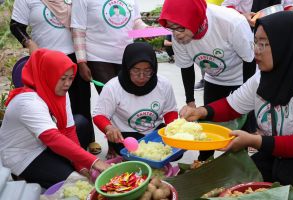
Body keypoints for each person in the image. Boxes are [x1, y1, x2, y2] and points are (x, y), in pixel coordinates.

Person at [179, 12, 293, 200]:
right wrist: (200, 111)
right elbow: (232, 106)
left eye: (264, 44)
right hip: (272, 154)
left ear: (286, 45)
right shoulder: (263, 76)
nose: (256, 50)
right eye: (255, 42)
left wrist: (253, 141)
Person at [159, 0, 255, 161]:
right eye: (171, 28)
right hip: (214, 78)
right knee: (207, 126)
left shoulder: (231, 22)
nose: (176, 34)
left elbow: (250, 60)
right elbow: (186, 67)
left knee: (240, 131)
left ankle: (240, 163)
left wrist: (247, 96)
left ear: (195, 19)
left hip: (241, 77)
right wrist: (190, 101)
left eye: (180, 28)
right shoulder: (179, 31)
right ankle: (204, 161)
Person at [0, 49, 110, 188]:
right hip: (22, 156)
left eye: (71, 78)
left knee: (80, 124)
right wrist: (94, 162)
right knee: (77, 183)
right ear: (48, 74)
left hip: (43, 146)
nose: (67, 83)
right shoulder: (28, 101)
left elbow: (69, 131)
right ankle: (24, 176)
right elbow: (52, 138)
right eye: (63, 78)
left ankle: (58, 170)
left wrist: (81, 165)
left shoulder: (59, 92)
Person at [9, 0, 99, 154]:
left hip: (76, 55)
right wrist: (29, 43)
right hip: (47, 60)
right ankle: (57, 144)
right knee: (51, 104)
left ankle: (88, 138)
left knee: (82, 99)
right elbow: (16, 25)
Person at [92, 42, 178, 155]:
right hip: (126, 135)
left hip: (155, 132)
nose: (141, 76)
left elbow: (170, 111)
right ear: (127, 67)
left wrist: (173, 132)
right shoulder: (112, 87)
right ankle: (114, 149)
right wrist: (108, 128)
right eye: (136, 70)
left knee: (175, 152)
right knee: (130, 153)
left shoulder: (164, 85)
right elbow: (99, 115)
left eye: (147, 71)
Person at [71, 0, 148, 94]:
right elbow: (78, 29)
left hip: (126, 58)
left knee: (128, 97)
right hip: (98, 58)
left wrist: (146, 30)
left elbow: (135, 21)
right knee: (110, 96)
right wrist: (81, 62)